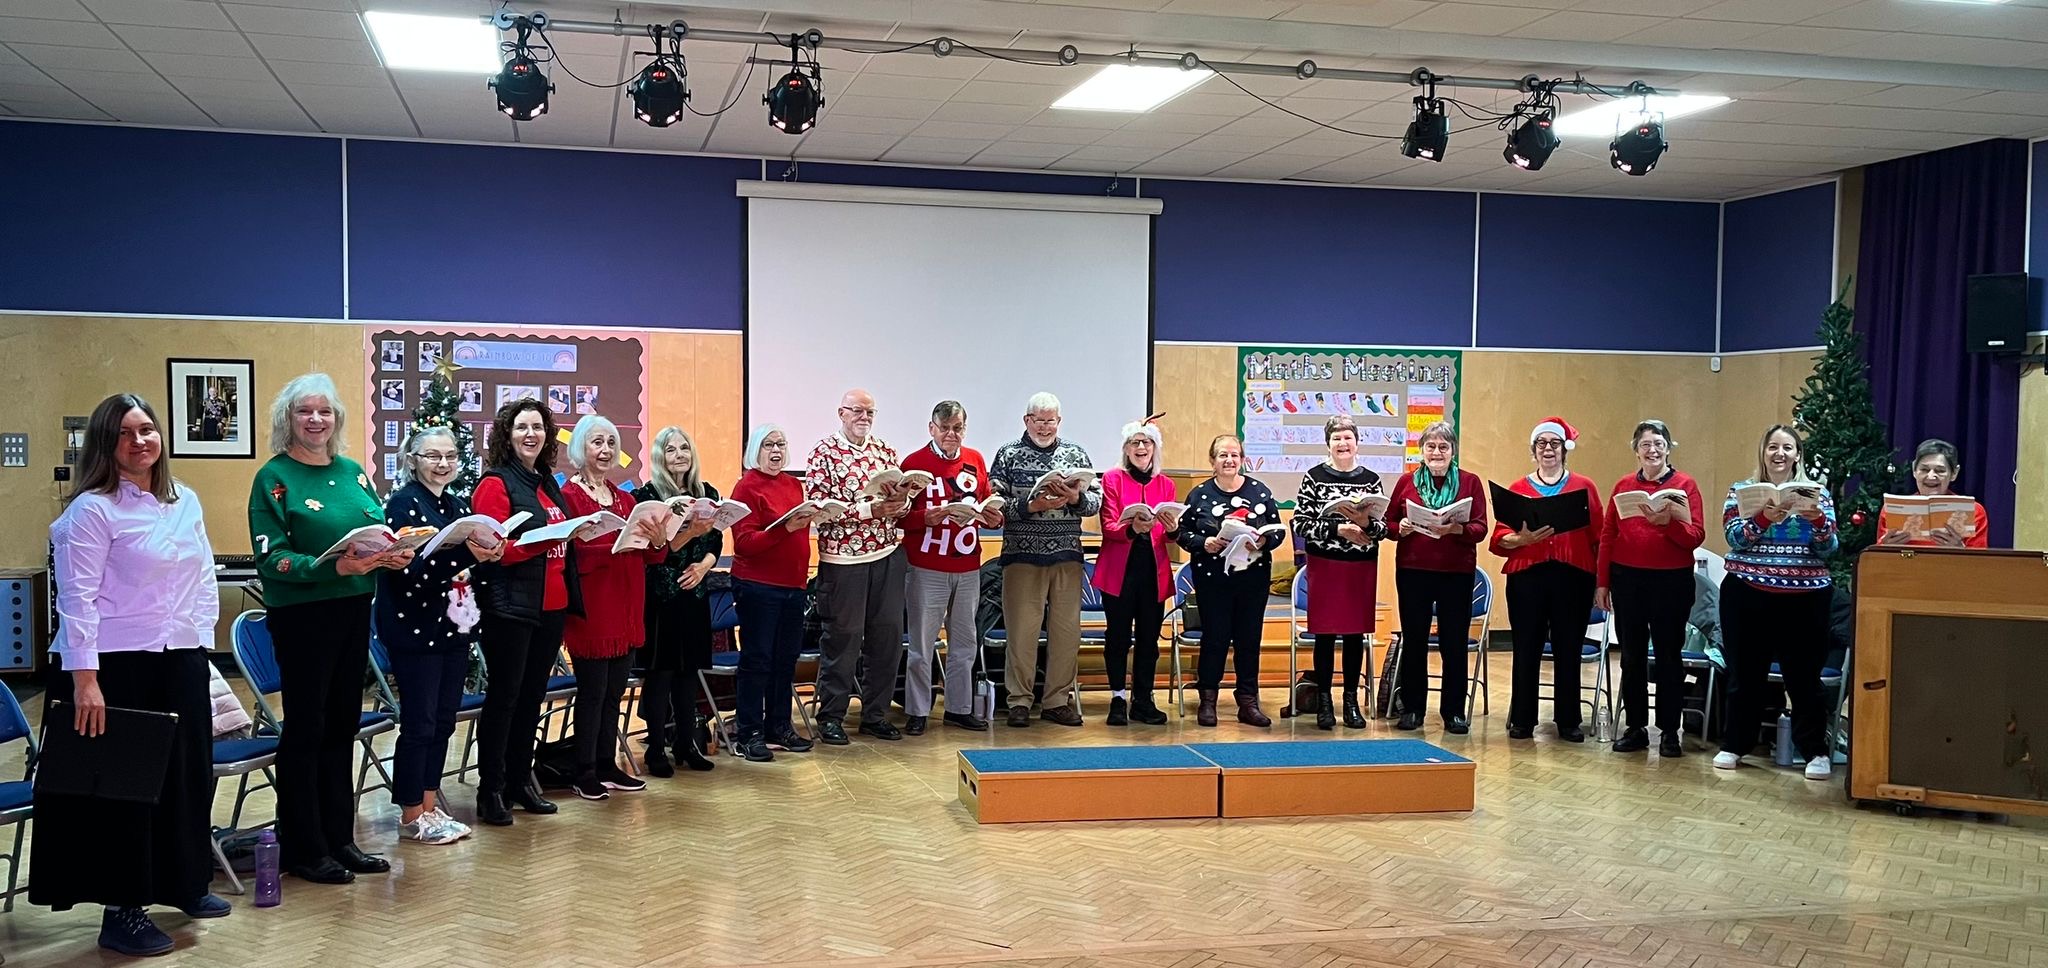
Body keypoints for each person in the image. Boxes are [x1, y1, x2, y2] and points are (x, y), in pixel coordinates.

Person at [36, 394, 228, 956]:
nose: (139, 441)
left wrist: (200, 647)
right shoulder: (91, 511)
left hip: (180, 656)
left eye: (146, 429)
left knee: (187, 777)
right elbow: (76, 600)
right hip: (115, 666)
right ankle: (123, 911)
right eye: (124, 433)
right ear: (105, 444)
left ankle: (184, 882)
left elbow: (203, 576)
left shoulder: (182, 500)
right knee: (127, 790)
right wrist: (84, 680)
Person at [247, 373, 410, 884]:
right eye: (304, 411)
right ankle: (304, 846)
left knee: (343, 725)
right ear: (287, 419)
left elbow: (375, 530)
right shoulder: (274, 478)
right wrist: (331, 566)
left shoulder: (353, 472)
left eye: (324, 411)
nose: (315, 419)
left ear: (336, 418)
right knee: (307, 728)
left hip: (353, 608)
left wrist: (391, 553)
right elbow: (270, 557)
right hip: (303, 616)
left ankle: (340, 838)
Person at [375, 426, 501, 845]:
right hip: (415, 628)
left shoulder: (456, 504)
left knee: (444, 721)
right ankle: (411, 813)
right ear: (412, 460)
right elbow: (410, 572)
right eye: (432, 456)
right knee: (420, 723)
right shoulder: (402, 503)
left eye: (450, 456)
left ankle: (430, 807)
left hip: (452, 626)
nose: (443, 463)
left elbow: (460, 566)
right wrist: (466, 553)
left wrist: (488, 554)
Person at [470, 398, 580, 827]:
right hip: (511, 607)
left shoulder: (547, 482)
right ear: (507, 435)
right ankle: (491, 790)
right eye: (521, 427)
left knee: (532, 698)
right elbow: (492, 550)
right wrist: (543, 540)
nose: (531, 434)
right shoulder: (495, 483)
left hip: (551, 606)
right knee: (505, 699)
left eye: (538, 427)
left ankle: (521, 781)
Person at [1715, 425, 1839, 779]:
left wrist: (1819, 522)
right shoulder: (1741, 491)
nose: (1779, 454)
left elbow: (1829, 548)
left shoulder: (1818, 494)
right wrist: (1763, 518)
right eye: (1772, 447)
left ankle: (1814, 751)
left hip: (1806, 598)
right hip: (1747, 593)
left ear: (1798, 454)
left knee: (1804, 679)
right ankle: (1735, 744)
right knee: (1744, 676)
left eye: (1787, 447)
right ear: (1763, 452)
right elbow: (1735, 538)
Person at [557, 414, 667, 800]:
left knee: (614, 692)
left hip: (626, 607)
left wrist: (658, 540)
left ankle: (607, 763)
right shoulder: (568, 497)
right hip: (593, 609)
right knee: (593, 693)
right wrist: (612, 545)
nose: (605, 450)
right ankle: (584, 769)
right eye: (597, 442)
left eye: (610, 443)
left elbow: (653, 556)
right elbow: (569, 554)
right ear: (580, 448)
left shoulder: (626, 498)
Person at [805, 389, 913, 744]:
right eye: (857, 411)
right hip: (844, 561)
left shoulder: (885, 451)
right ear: (841, 413)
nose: (864, 417)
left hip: (887, 554)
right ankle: (831, 717)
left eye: (870, 412)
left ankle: (876, 715)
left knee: (887, 639)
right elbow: (820, 509)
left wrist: (901, 503)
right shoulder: (823, 452)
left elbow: (901, 505)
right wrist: (870, 510)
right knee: (843, 639)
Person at [989, 392, 1102, 728]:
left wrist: (1076, 497)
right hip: (1022, 556)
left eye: (1049, 420)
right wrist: (1030, 506)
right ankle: (1019, 701)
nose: (1044, 426)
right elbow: (994, 506)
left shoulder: (1075, 453)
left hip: (1067, 556)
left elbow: (1095, 503)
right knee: (1021, 634)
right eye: (1037, 420)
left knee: (1066, 634)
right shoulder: (1008, 454)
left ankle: (1056, 701)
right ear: (1026, 420)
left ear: (1059, 421)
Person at [1595, 419, 1706, 758]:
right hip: (1628, 579)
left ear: (1668, 448)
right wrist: (1602, 582)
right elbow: (1608, 535)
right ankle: (1636, 727)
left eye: (1658, 443)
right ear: (1636, 450)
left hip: (1671, 581)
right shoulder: (1623, 485)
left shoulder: (1685, 485)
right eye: (1645, 444)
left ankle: (1670, 731)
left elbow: (1696, 536)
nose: (1652, 450)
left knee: (1669, 656)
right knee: (1631, 656)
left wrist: (1668, 524)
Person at [1489, 416, 1602, 743]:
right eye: (1541, 443)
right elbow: (1499, 537)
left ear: (1565, 449)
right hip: (1528, 577)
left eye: (1554, 443)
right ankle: (1522, 719)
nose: (1548, 449)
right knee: (1526, 647)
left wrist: (1602, 581)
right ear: (1533, 449)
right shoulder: (1518, 488)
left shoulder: (1584, 486)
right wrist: (1519, 539)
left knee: (1569, 648)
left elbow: (1599, 536)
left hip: (1573, 577)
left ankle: (1568, 721)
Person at [898, 401, 1003, 734]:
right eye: (944, 428)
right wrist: (924, 518)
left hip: (968, 565)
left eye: (957, 428)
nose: (951, 434)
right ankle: (917, 711)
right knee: (922, 645)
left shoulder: (975, 459)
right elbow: (898, 516)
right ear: (932, 428)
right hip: (926, 566)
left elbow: (984, 502)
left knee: (965, 642)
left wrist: (992, 517)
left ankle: (959, 708)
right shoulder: (913, 463)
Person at [1383, 421, 1489, 735]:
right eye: (1431, 446)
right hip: (1413, 571)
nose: (1437, 452)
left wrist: (1457, 529)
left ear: (1453, 450)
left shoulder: (1469, 482)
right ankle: (1413, 709)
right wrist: (1400, 528)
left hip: (1456, 573)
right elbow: (1388, 524)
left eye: (1444, 446)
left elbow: (1480, 528)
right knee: (1414, 640)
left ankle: (1453, 711)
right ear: (1422, 450)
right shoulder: (1407, 482)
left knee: (1453, 643)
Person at [1175, 435, 1283, 727]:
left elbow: (1277, 531)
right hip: (1213, 580)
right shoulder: (1199, 495)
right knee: (1215, 638)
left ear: (1242, 459)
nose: (1229, 460)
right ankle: (1207, 700)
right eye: (1223, 455)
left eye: (1235, 455)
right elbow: (1181, 533)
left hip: (1253, 579)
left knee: (1249, 640)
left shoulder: (1260, 492)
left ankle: (1248, 702)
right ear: (1212, 461)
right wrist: (1204, 542)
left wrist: (1263, 541)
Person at [634, 426, 724, 776]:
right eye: (670, 450)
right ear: (660, 457)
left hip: (695, 591)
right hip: (661, 596)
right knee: (661, 676)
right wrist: (692, 532)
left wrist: (704, 566)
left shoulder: (707, 493)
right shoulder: (648, 496)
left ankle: (687, 745)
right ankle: (656, 749)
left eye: (684, 448)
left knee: (689, 675)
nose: (679, 455)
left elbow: (715, 542)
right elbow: (657, 550)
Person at [1291, 414, 1385, 730]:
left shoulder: (1371, 479)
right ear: (1328, 443)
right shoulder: (1314, 477)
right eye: (1337, 438)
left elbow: (1382, 528)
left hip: (1361, 567)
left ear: (1357, 442)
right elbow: (1300, 523)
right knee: (1326, 635)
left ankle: (1351, 702)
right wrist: (1339, 529)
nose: (1343, 443)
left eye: (1348, 438)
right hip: (1326, 566)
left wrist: (1365, 524)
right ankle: (1324, 702)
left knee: (1355, 635)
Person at [728, 425, 816, 762]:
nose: (776, 450)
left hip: (794, 585)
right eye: (768, 445)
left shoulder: (794, 484)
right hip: (757, 586)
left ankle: (779, 726)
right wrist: (785, 529)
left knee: (785, 659)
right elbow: (745, 543)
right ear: (755, 450)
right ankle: (748, 733)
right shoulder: (746, 487)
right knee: (758, 659)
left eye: (781, 443)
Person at [1093, 417, 1177, 727]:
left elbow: (1167, 535)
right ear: (1126, 449)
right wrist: (1133, 528)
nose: (1141, 447)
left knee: (1149, 640)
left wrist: (1173, 529)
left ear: (1155, 448)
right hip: (1119, 572)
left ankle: (1143, 699)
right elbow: (1108, 526)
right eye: (1134, 442)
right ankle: (1117, 697)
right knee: (1117, 637)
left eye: (1146, 442)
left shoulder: (1166, 484)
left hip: (1153, 574)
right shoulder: (1112, 479)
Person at [1876, 438, 1990, 549]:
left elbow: (1979, 561)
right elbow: (1877, 558)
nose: (1931, 476)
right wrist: (1886, 548)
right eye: (1924, 470)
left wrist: (1960, 550)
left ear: (1954, 473)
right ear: (1914, 470)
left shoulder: (1974, 511)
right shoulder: (1891, 509)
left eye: (1940, 471)